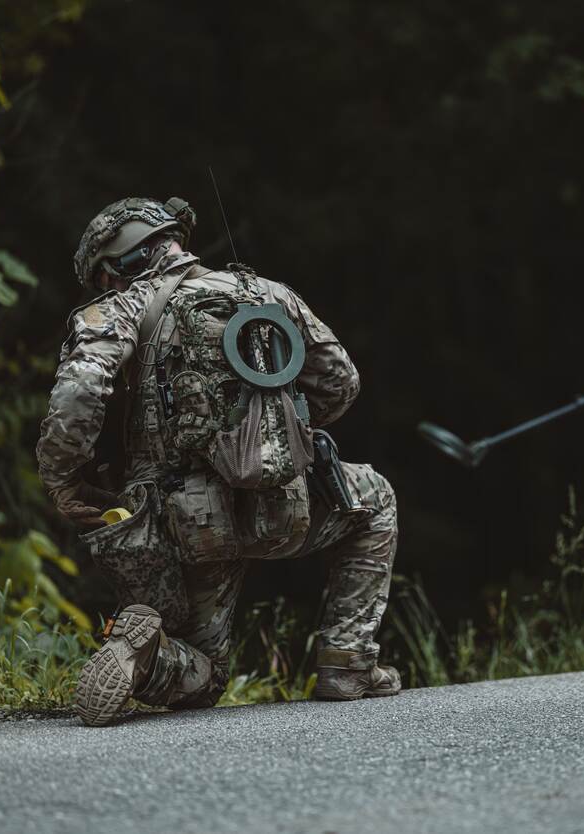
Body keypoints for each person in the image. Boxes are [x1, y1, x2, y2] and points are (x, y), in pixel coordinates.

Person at [36, 196, 400, 726]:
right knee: (376, 498)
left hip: (181, 528)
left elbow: (80, 390)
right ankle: (348, 660)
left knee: (202, 676)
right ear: (172, 240)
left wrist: (64, 480)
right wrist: (275, 438)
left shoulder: (119, 309)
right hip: (284, 506)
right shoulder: (266, 294)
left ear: (114, 267)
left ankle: (148, 655)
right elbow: (341, 384)